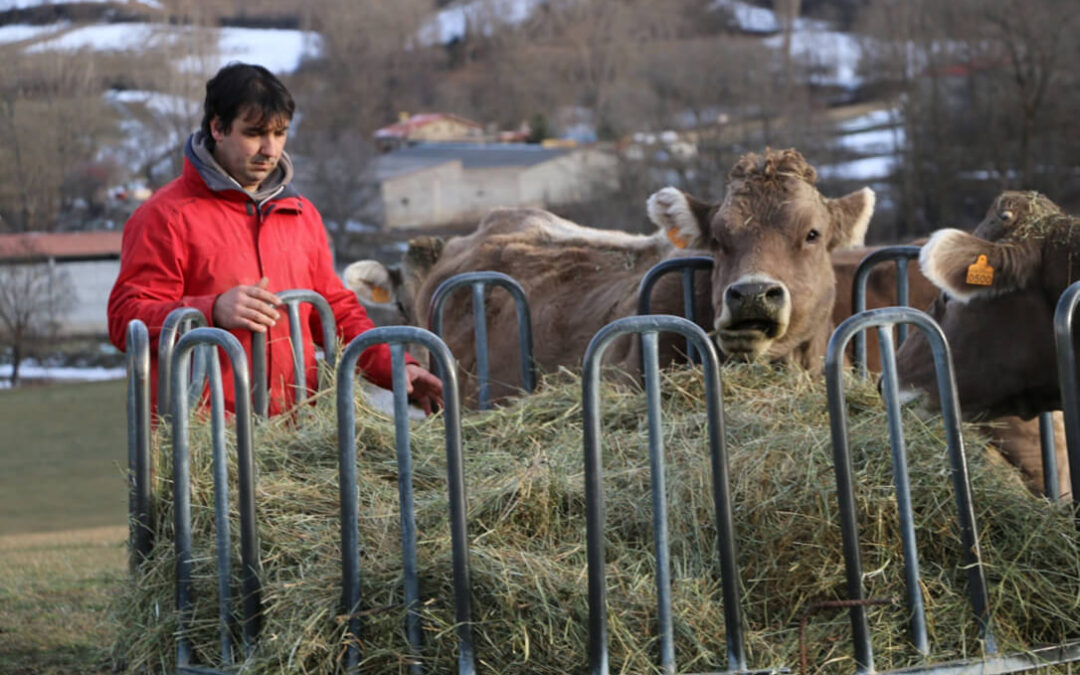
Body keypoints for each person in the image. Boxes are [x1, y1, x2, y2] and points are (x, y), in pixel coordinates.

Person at [108, 62, 442, 417]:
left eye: (280, 133)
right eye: (255, 133)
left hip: (294, 439)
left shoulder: (301, 214)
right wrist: (211, 311)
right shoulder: (165, 217)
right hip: (206, 446)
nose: (270, 149)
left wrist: (395, 366)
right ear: (218, 128)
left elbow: (335, 310)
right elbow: (126, 321)